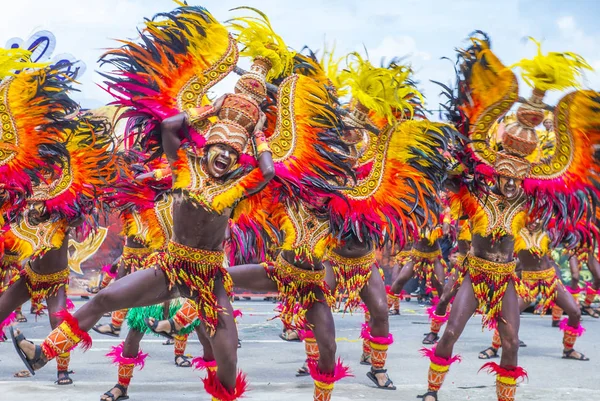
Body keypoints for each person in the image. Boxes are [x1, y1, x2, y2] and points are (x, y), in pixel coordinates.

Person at [11, 6, 279, 401]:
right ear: (206, 147)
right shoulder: (184, 168)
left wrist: (256, 135)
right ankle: (42, 354)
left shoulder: (239, 185)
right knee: (105, 298)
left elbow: (268, 172)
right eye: (218, 148)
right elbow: (172, 127)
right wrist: (210, 111)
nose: (223, 157)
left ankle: (222, 392)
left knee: (227, 351)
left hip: (209, 277)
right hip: (169, 266)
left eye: (230, 153)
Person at [421, 33, 598, 401]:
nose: (514, 181)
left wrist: (537, 106)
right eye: (507, 175)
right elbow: (451, 166)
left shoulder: (530, 204)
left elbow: (567, 182)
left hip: (508, 279)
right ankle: (431, 392)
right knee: (451, 332)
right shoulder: (475, 197)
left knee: (513, 341)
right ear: (496, 172)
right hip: (475, 274)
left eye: (520, 176)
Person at [479, 218, 588, 362]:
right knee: (508, 316)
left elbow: (568, 237)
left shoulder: (548, 232)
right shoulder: (515, 233)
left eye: (538, 220)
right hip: (529, 281)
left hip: (549, 279)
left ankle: (568, 350)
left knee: (575, 312)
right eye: (531, 219)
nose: (535, 223)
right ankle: (494, 347)